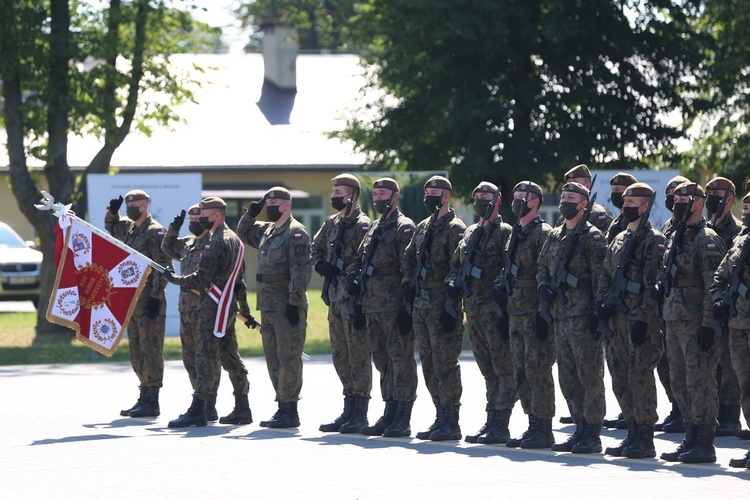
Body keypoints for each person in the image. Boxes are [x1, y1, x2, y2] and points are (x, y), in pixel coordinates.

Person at [160, 197, 252, 428]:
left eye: (204, 215)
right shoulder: (235, 240)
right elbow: (239, 281)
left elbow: (202, 279)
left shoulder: (217, 242)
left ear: (217, 215)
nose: (200, 219)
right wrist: (244, 309)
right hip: (226, 305)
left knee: (205, 356)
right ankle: (243, 406)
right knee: (230, 355)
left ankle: (199, 409)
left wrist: (174, 279)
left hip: (212, 307)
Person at [595, 183, 665, 458]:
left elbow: (654, 284)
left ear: (645, 205)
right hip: (616, 320)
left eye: (631, 200)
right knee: (620, 379)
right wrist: (601, 302)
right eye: (624, 201)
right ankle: (632, 431)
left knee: (640, 379)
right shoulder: (620, 238)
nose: (625, 205)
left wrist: (644, 319)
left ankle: (645, 437)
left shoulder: (653, 240)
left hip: (639, 323)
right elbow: (605, 275)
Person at [657, 181, 725, 463]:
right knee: (679, 381)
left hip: (696, 322)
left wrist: (709, 325)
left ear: (698, 203)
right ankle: (691, 434)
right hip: (674, 319)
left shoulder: (706, 239)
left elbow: (713, 285)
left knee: (701, 382)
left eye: (684, 198)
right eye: (677, 198)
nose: (678, 203)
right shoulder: (678, 235)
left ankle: (704, 441)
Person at [537, 181, 607, 454]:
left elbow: (600, 278)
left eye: (570, 197)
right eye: (563, 196)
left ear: (583, 204)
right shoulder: (554, 236)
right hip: (560, 316)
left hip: (583, 316)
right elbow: (543, 266)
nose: (564, 200)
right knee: (567, 376)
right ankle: (579, 425)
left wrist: (597, 313)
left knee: (589, 375)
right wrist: (544, 285)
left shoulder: (592, 237)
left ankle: (592, 432)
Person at [346, 177, 417, 437]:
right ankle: (389, 409)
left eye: (383, 193)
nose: (377, 198)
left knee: (401, 360)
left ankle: (402, 415)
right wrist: (353, 280)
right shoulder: (375, 227)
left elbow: (407, 267)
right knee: (383, 361)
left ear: (394, 196)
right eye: (375, 194)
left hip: (393, 305)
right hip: (371, 305)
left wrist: (405, 307)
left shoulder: (404, 227)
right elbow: (358, 259)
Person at [237, 187, 312, 428]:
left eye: (274, 203)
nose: (269, 207)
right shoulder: (268, 230)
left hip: (286, 303)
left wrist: (294, 300)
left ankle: (290, 409)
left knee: (289, 357)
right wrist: (251, 214)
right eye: (267, 203)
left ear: (287, 204)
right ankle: (282, 405)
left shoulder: (295, 232)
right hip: (267, 305)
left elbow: (301, 271)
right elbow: (242, 233)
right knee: (273, 358)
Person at [447, 181, 514, 444]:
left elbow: (510, 268)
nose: (479, 200)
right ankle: (491, 418)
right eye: (476, 197)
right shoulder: (471, 232)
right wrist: (452, 282)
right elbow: (456, 264)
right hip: (472, 309)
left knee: (503, 368)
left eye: (485, 196)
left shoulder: (505, 231)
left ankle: (501, 422)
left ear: (497, 200)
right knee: (487, 369)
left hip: (494, 310)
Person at [401, 175, 466, 441]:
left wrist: (451, 303)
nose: (429, 194)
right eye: (427, 190)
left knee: (445, 363)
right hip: (421, 303)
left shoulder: (455, 228)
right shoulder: (423, 227)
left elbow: (458, 265)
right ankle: (440, 413)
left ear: (447, 196)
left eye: (435, 191)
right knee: (427, 361)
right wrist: (408, 282)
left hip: (442, 303)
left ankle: (451, 420)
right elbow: (408, 257)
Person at [311, 174, 372, 434]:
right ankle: (348, 408)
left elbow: (366, 258)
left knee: (358, 354)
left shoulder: (364, 225)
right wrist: (320, 264)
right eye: (333, 190)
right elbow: (315, 248)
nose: (334, 195)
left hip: (354, 299)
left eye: (339, 191)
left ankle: (360, 412)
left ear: (353, 195)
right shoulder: (331, 223)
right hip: (334, 298)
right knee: (340, 354)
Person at [497, 181, 556, 449]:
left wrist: (544, 314)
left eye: (523, 197)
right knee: (520, 370)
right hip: (514, 311)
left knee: (538, 370)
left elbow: (547, 274)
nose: (517, 200)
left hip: (533, 313)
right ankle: (533, 423)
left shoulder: (543, 233)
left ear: (535, 202)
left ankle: (543, 427)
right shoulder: (516, 232)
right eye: (515, 196)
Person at [105, 189, 170, 418]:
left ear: (144, 206)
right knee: (136, 349)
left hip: (149, 299)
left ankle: (152, 399)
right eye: (127, 206)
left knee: (151, 349)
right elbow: (111, 228)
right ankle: (143, 394)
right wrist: (112, 213)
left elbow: (163, 267)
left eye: (134, 206)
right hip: (132, 299)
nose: (129, 209)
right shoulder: (130, 228)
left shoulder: (156, 232)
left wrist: (155, 296)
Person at [705, 177, 743, 437]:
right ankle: (715, 412)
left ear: (730, 198)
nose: (712, 198)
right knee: (711, 362)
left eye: (717, 193)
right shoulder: (703, 228)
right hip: (707, 303)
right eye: (708, 193)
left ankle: (730, 414)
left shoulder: (739, 231)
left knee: (730, 364)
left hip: (732, 307)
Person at [714, 192, 750, 468]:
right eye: (745, 207)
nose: (746, 211)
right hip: (738, 324)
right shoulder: (741, 241)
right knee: (745, 385)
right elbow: (721, 274)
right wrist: (719, 298)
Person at [654, 174, 690, 433]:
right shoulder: (668, 227)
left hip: (688, 312)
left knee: (689, 367)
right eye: (669, 193)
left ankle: (693, 417)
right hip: (666, 308)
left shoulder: (696, 230)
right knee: (667, 364)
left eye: (677, 193)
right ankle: (677, 408)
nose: (672, 198)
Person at [561, 164, 613, 232]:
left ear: (587, 186)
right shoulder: (565, 216)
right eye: (569, 183)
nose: (571, 187)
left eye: (575, 183)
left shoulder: (599, 214)